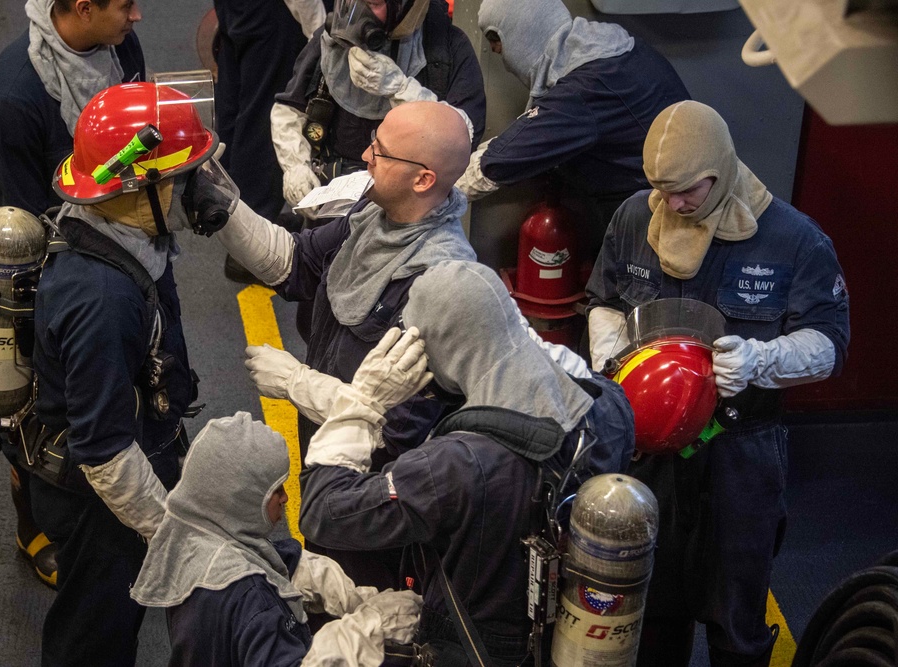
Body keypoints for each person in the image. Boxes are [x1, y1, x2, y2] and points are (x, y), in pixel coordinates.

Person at [585, 101, 851, 667]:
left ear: (721, 169)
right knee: (651, 606)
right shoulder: (638, 216)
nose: (674, 204)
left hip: (741, 451)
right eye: (662, 189)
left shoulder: (792, 239)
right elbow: (604, 299)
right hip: (650, 451)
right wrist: (609, 349)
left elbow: (830, 344)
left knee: (736, 614)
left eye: (689, 190)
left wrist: (763, 358)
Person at [293, 261, 635, 666]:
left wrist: (362, 402)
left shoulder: (457, 465)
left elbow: (322, 512)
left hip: (476, 650)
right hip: (573, 639)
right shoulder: (610, 406)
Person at [218, 100, 475, 590]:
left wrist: (298, 383)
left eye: (379, 151)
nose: (364, 155)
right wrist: (225, 211)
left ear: (422, 180)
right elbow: (295, 264)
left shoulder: (442, 286)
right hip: (328, 448)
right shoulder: (373, 215)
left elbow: (399, 430)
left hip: (375, 496)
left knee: (363, 613)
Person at [19, 81, 231, 666]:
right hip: (98, 500)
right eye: (184, 177)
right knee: (95, 637)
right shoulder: (102, 297)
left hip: (128, 452)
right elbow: (105, 451)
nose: (198, 189)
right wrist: (169, 536)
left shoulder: (122, 233)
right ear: (142, 185)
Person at [0, 0, 145, 586]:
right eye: (125, 4)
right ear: (82, 6)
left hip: (129, 246)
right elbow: (18, 223)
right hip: (55, 277)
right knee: (41, 416)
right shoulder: (14, 99)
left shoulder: (117, 47)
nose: (138, 16)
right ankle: (33, 528)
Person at [130, 413, 422, 666]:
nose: (285, 497)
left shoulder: (192, 536)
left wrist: (335, 587)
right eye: (276, 490)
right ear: (240, 498)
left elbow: (268, 557)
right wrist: (364, 631)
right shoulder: (253, 601)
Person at [455, 0, 689, 253]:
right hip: (679, 201)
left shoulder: (586, 87)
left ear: (521, 35)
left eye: (501, 48)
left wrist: (434, 189)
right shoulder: (610, 46)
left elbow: (504, 159)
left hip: (659, 219)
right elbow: (532, 130)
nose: (506, 62)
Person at [271, 0, 486, 216]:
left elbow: (463, 136)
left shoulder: (447, 48)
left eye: (373, 3)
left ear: (406, 8)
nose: (357, 11)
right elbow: (289, 109)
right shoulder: (328, 41)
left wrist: (401, 89)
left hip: (408, 212)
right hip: (330, 198)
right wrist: (295, 167)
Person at [212, 0, 326, 282]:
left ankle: (227, 207)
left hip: (243, 9)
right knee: (266, 115)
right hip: (277, 12)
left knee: (237, 98)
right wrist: (320, 31)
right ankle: (252, 245)